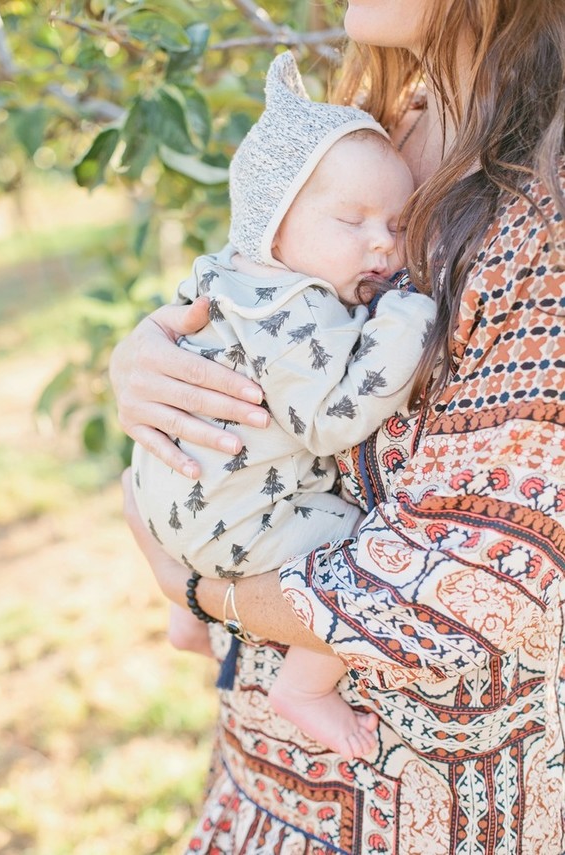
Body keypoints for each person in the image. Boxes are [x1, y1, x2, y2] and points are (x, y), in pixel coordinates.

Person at [111, 0, 565, 851]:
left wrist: (203, 595)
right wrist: (146, 357)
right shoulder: (378, 124)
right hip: (265, 782)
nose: (377, 242)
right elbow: (259, 282)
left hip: (423, 810)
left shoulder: (544, 205)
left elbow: (470, 579)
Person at [131, 50, 436, 760]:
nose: (382, 244)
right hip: (238, 519)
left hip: (165, 495)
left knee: (134, 483)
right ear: (275, 226)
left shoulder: (231, 275)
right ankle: (304, 686)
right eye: (351, 220)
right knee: (354, 554)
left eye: (396, 224)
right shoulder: (296, 309)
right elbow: (331, 416)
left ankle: (184, 611)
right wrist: (407, 316)